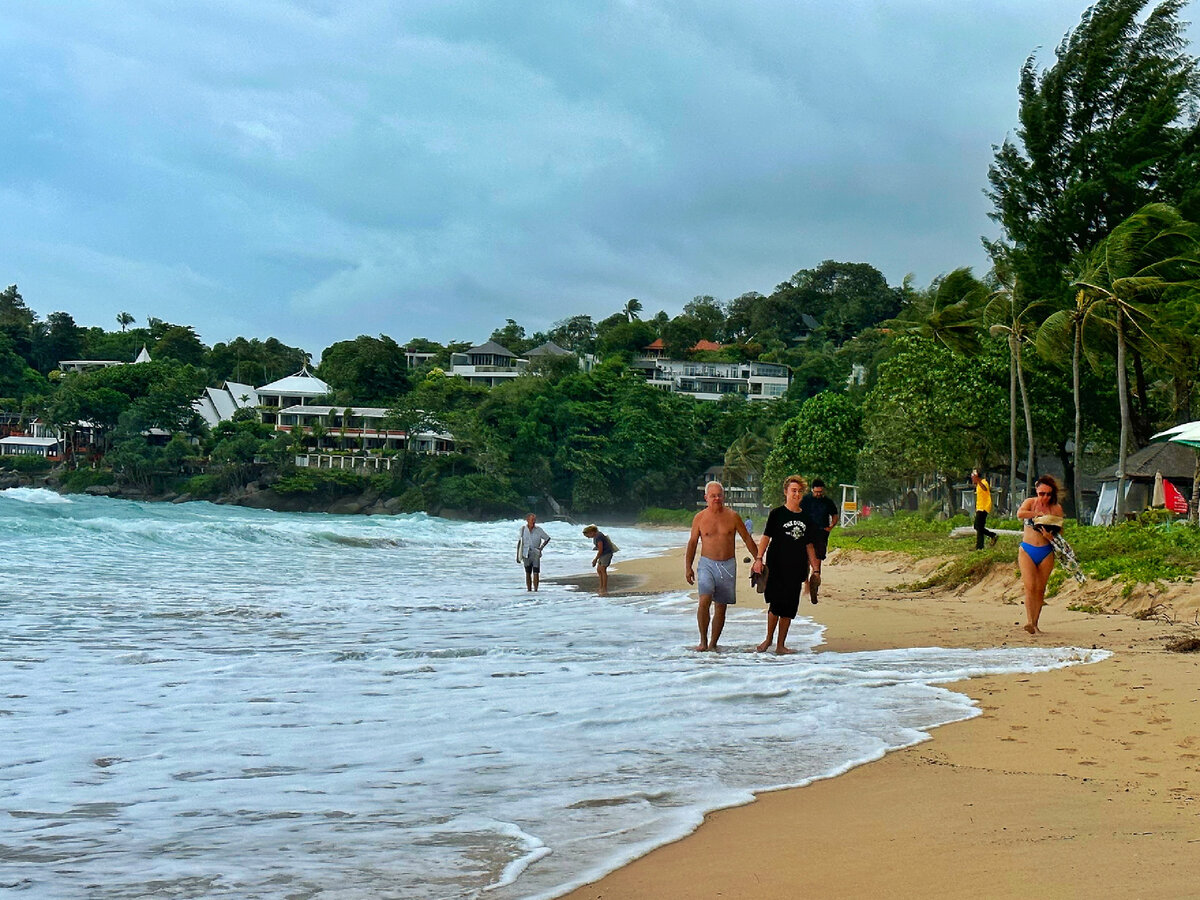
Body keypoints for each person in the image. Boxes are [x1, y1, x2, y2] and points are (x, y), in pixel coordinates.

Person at [685, 481, 759, 651]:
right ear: (706, 498)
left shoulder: (733, 516)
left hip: (727, 565)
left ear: (723, 496)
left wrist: (759, 559)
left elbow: (747, 538)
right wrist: (688, 566)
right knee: (704, 600)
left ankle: (713, 643)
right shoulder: (700, 518)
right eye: (713, 496)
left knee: (721, 606)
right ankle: (703, 641)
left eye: (719, 495)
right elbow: (692, 543)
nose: (717, 498)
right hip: (707, 564)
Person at [755, 475, 809, 654]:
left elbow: (810, 545)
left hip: (797, 568)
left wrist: (815, 570)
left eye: (800, 491)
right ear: (786, 492)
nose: (797, 494)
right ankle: (768, 639)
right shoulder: (776, 514)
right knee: (776, 605)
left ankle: (780, 645)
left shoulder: (806, 517)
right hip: (776, 566)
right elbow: (766, 537)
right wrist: (758, 558)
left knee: (789, 608)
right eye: (793, 491)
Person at [1015, 474, 1065, 634]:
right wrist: (1036, 515)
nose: (1044, 497)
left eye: (1048, 494)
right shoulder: (1030, 502)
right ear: (1036, 491)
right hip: (1027, 549)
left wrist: (1050, 535)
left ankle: (1035, 623)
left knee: (1040, 588)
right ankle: (1029, 621)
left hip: (1046, 550)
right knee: (1030, 586)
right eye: (1041, 493)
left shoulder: (1056, 508)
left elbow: (1061, 529)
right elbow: (1020, 513)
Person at [799, 478, 838, 604]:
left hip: (822, 533)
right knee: (805, 559)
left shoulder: (828, 502)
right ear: (812, 490)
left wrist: (830, 527)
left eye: (820, 492)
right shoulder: (805, 500)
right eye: (816, 492)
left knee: (818, 557)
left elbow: (835, 515)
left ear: (823, 490)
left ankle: (815, 581)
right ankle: (807, 583)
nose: (818, 494)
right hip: (807, 533)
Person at [517, 513, 551, 592]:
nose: (534, 521)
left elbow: (547, 538)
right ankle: (529, 590)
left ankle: (536, 590)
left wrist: (541, 548)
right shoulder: (522, 529)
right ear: (527, 520)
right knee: (527, 572)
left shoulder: (538, 529)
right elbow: (520, 542)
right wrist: (518, 555)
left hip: (536, 552)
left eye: (534, 520)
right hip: (525, 552)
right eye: (532, 520)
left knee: (536, 572)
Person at [582, 524, 615, 594]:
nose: (588, 537)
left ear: (591, 532)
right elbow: (600, 546)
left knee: (603, 570)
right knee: (599, 570)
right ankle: (601, 587)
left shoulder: (598, 536)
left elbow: (601, 549)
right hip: (603, 554)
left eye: (588, 536)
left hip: (606, 554)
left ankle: (604, 588)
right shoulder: (597, 535)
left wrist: (595, 559)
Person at [971, 469, 998, 550]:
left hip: (984, 508)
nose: (972, 479)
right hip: (979, 507)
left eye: (973, 477)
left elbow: (985, 489)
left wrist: (978, 481)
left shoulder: (984, 482)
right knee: (978, 526)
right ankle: (983, 543)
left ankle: (981, 545)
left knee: (978, 526)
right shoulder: (978, 485)